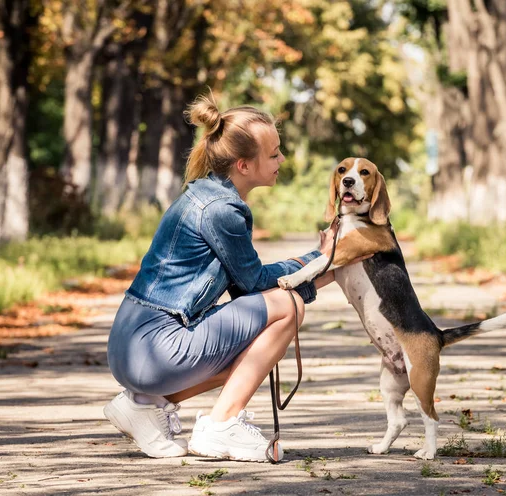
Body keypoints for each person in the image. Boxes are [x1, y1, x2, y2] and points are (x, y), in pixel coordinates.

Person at [103, 94, 343, 462]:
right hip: (154, 348)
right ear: (244, 165)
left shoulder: (205, 195)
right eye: (274, 153)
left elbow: (244, 295)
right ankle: (221, 426)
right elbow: (254, 283)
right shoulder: (222, 210)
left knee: (259, 340)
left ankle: (145, 404)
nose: (282, 160)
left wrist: (320, 268)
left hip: (132, 344)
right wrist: (320, 258)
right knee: (288, 306)